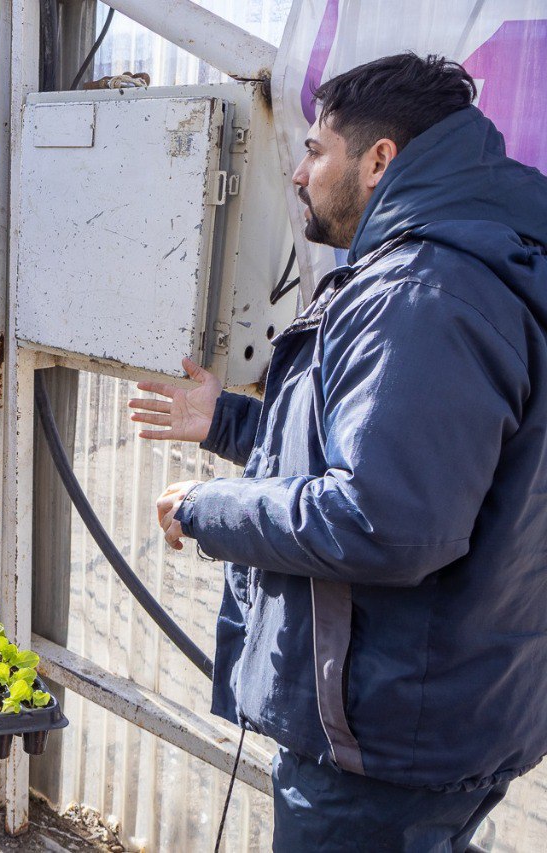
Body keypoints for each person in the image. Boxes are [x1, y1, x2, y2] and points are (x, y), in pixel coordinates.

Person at [130, 53, 547, 849]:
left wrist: (207, 508)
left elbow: (383, 520)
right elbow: (384, 460)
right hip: (444, 713)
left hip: (384, 739)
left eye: (316, 150)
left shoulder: (423, 290)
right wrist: (227, 422)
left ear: (379, 159)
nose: (298, 171)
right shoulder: (476, 260)